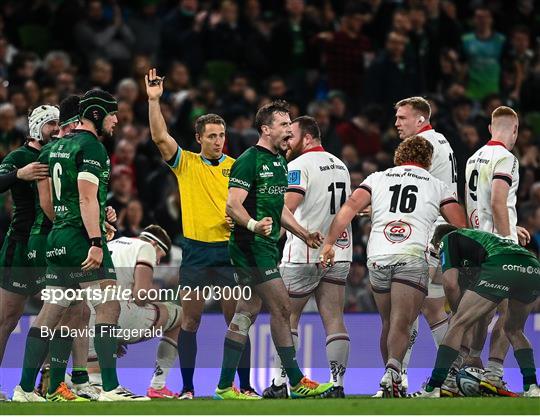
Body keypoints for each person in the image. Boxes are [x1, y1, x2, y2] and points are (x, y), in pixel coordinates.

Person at [13, 89, 147, 402]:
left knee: (50, 312)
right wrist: (96, 239)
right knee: (108, 305)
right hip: (80, 239)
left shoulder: (52, 149)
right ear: (98, 115)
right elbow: (87, 197)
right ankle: (111, 388)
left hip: (57, 236)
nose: (116, 121)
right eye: (113, 114)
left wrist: (71, 220)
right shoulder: (93, 148)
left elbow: (47, 202)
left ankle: (23, 389)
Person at [320, 135, 466, 398]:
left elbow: (350, 207)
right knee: (403, 321)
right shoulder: (437, 184)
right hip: (412, 254)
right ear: (428, 160)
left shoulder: (377, 178)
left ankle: (390, 379)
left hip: (378, 255)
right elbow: (460, 226)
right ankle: (393, 372)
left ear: (399, 156)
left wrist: (330, 242)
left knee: (388, 321)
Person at [145, 68, 256, 399]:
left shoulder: (236, 166)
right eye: (211, 135)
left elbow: (250, 205)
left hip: (227, 251)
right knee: (189, 322)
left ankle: (245, 386)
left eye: (221, 135)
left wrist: (243, 220)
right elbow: (159, 137)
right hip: (195, 251)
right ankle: (189, 388)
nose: (218, 140)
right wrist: (154, 101)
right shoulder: (186, 163)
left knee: (237, 321)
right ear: (199, 138)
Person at [214, 100, 334, 400]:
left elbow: (278, 206)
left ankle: (224, 387)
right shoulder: (248, 160)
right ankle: (295, 381)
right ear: (266, 129)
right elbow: (233, 204)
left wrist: (304, 234)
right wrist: (254, 225)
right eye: (283, 124)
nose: (288, 130)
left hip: (266, 246)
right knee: (282, 307)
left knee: (247, 311)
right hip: (250, 247)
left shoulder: (280, 162)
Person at [263, 116, 352, 399]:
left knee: (285, 317)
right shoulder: (341, 164)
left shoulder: (298, 166)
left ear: (309, 138)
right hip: (339, 252)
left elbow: (284, 208)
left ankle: (280, 383)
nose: (288, 142)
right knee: (335, 319)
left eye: (293, 136)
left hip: (304, 254)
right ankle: (337, 385)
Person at [410, 227, 539, 398]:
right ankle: (532, 387)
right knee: (514, 330)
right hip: (532, 266)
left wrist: (458, 313)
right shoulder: (480, 241)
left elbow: (450, 284)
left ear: (437, 242)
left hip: (502, 264)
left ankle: (434, 387)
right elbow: (487, 310)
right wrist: (475, 353)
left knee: (457, 323)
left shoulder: (448, 238)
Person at [390, 96, 459, 393]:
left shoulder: (425, 147)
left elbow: (418, 194)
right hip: (439, 235)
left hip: (427, 237)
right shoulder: (441, 140)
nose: (396, 123)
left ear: (420, 120)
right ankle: (449, 375)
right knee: (427, 307)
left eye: (402, 118)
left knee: (412, 307)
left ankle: (401, 377)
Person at [464, 105, 531, 396]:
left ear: (491, 128)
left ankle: (471, 367)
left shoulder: (473, 158)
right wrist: (507, 239)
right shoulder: (507, 157)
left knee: (479, 312)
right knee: (508, 315)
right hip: (498, 248)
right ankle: (493, 373)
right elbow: (497, 201)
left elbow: (479, 205)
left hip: (477, 244)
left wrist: (510, 225)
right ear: (514, 131)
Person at [0, 105, 57, 401]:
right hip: (21, 245)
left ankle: (40, 382)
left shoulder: (60, 155)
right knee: (7, 318)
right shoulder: (18, 158)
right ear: (36, 127)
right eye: (51, 124)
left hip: (52, 243)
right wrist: (18, 175)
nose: (57, 129)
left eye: (60, 124)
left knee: (59, 309)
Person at [86, 225, 183, 399]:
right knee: (179, 315)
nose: (158, 261)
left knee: (95, 380)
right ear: (154, 244)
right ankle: (158, 386)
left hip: (88, 316)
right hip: (116, 314)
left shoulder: (112, 243)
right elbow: (141, 295)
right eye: (161, 255)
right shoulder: (145, 248)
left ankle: (86, 383)